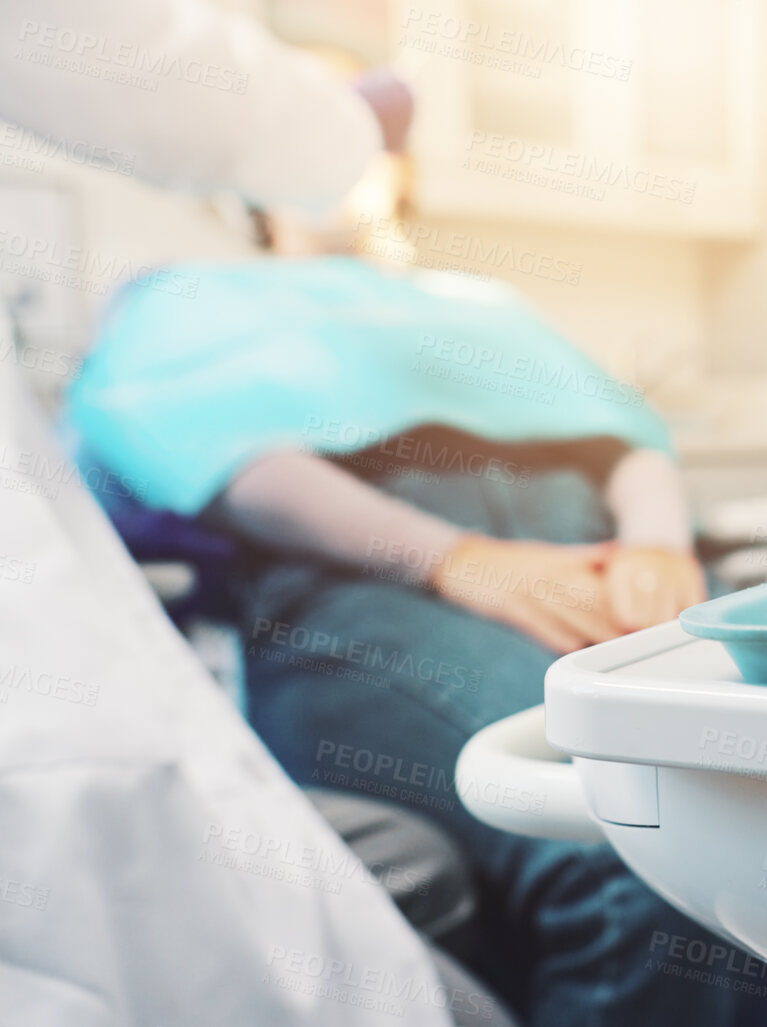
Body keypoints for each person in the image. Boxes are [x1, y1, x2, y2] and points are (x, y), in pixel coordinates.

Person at [65, 254, 767, 1027]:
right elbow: (216, 453)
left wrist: (656, 545)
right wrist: (453, 559)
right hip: (365, 570)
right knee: (638, 849)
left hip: (600, 547)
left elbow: (623, 431)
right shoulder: (179, 301)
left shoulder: (467, 301)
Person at [0, 0, 457, 1023]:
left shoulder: (459, 302)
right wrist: (347, 120)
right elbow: (131, 55)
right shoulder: (186, 305)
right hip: (361, 600)